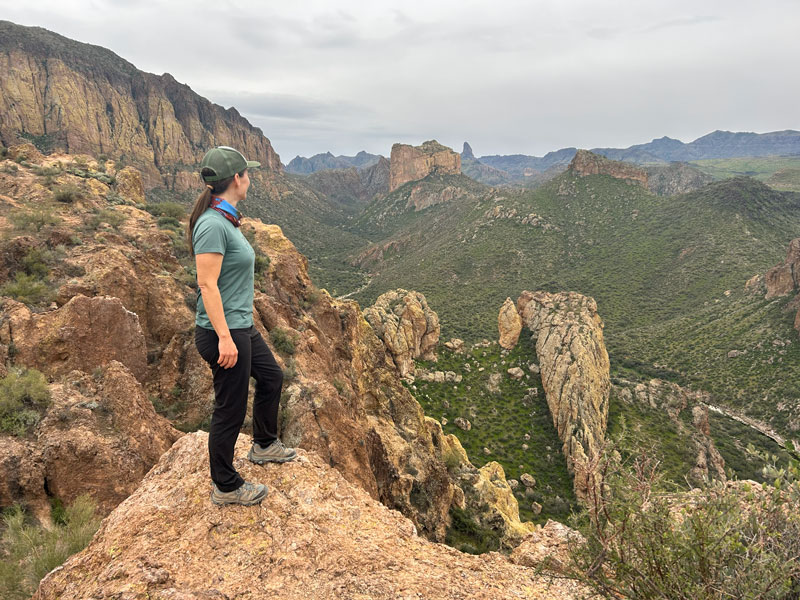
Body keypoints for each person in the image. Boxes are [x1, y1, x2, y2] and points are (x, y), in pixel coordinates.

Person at [187, 145, 297, 506]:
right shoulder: (212, 225)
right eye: (246, 174)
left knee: (271, 377)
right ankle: (226, 485)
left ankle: (264, 445)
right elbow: (206, 284)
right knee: (229, 409)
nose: (249, 179)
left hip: (240, 325)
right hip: (224, 332)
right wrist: (224, 338)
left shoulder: (226, 218)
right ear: (236, 179)